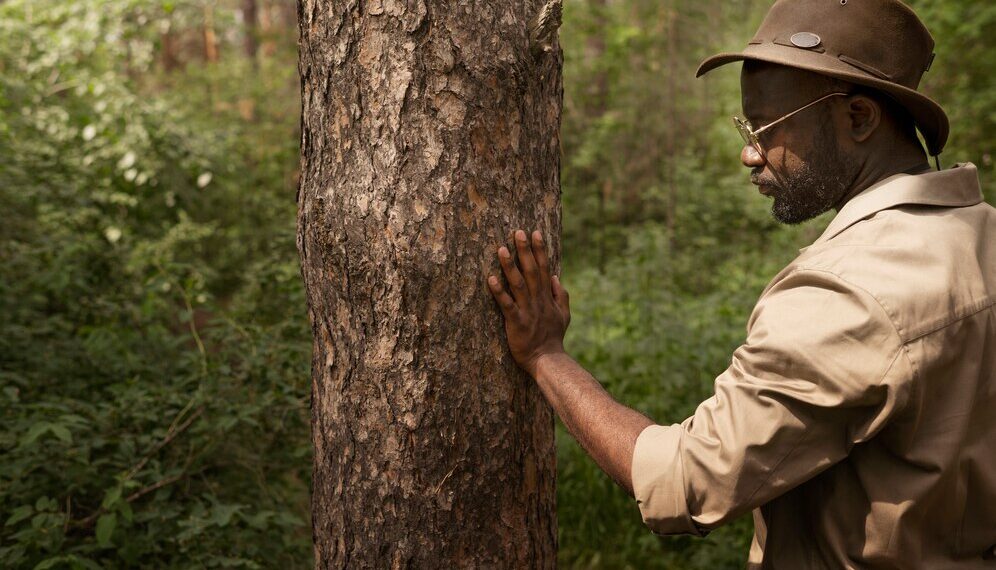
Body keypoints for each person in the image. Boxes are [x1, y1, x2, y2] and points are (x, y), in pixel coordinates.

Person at [485, 0, 996, 567]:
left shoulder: (848, 293)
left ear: (857, 118)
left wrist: (545, 356)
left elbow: (684, 479)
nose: (749, 154)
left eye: (768, 128)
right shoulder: (983, 235)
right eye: (747, 127)